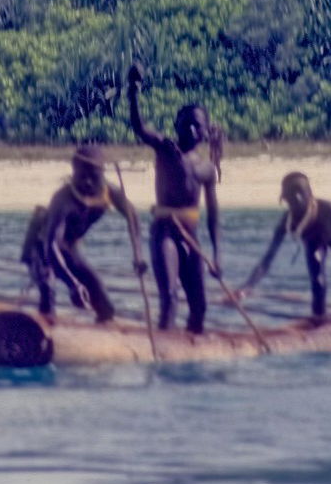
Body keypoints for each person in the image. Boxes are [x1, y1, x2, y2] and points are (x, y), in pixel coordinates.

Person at [126, 64, 221, 334]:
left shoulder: (207, 169)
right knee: (170, 297)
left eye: (197, 125)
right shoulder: (166, 149)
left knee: (199, 306)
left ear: (205, 132)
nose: (191, 129)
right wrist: (133, 92)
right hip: (166, 232)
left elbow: (213, 215)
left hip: (192, 237)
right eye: (186, 123)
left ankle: (191, 351)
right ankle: (164, 353)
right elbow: (140, 128)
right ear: (176, 125)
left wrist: (217, 256)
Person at [22, 146, 146, 324]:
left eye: (94, 177)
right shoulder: (62, 199)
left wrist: (138, 255)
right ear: (73, 170)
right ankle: (44, 335)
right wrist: (73, 284)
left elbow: (132, 217)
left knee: (105, 306)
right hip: (41, 248)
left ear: (102, 173)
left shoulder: (110, 192)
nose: (87, 182)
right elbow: (51, 246)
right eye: (82, 176)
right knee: (48, 289)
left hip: (70, 248)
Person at [236, 172, 331, 319]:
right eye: (291, 199)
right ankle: (319, 317)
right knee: (318, 281)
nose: (296, 202)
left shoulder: (329, 209)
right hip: (316, 243)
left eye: (300, 196)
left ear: (310, 195)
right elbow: (267, 260)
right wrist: (247, 287)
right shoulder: (287, 221)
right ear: (285, 199)